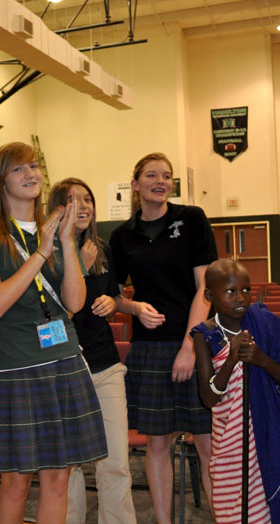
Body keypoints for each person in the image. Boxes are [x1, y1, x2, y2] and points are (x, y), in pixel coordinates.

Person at [0, 143, 107, 524]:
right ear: (0, 182)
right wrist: (41, 252)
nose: (30, 175)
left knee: (59, 478)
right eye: (17, 170)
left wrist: (66, 242)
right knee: (16, 482)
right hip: (15, 368)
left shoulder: (56, 232)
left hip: (65, 360)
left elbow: (74, 303)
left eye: (33, 167)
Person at [109, 152, 216, 523]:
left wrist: (191, 345)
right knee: (157, 443)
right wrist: (134, 308)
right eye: (151, 175)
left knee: (207, 444)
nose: (161, 181)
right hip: (149, 349)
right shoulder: (122, 237)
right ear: (135, 185)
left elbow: (206, 286)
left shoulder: (192, 219)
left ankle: (224, 517)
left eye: (167, 176)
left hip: (196, 343)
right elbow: (112, 298)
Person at [48, 179, 136, 524]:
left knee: (115, 462)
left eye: (87, 199)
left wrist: (112, 302)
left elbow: (115, 297)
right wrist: (80, 270)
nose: (83, 206)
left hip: (105, 366)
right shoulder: (45, 254)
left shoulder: (104, 250)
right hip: (62, 368)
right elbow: (51, 323)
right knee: (67, 467)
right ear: (57, 209)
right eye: (71, 200)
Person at [191, 259, 280, 523]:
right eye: (230, 291)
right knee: (232, 508)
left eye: (246, 289)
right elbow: (208, 398)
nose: (241, 297)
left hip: (267, 434)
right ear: (210, 295)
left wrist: (261, 359)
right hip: (228, 440)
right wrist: (231, 360)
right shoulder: (205, 335)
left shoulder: (265, 324)